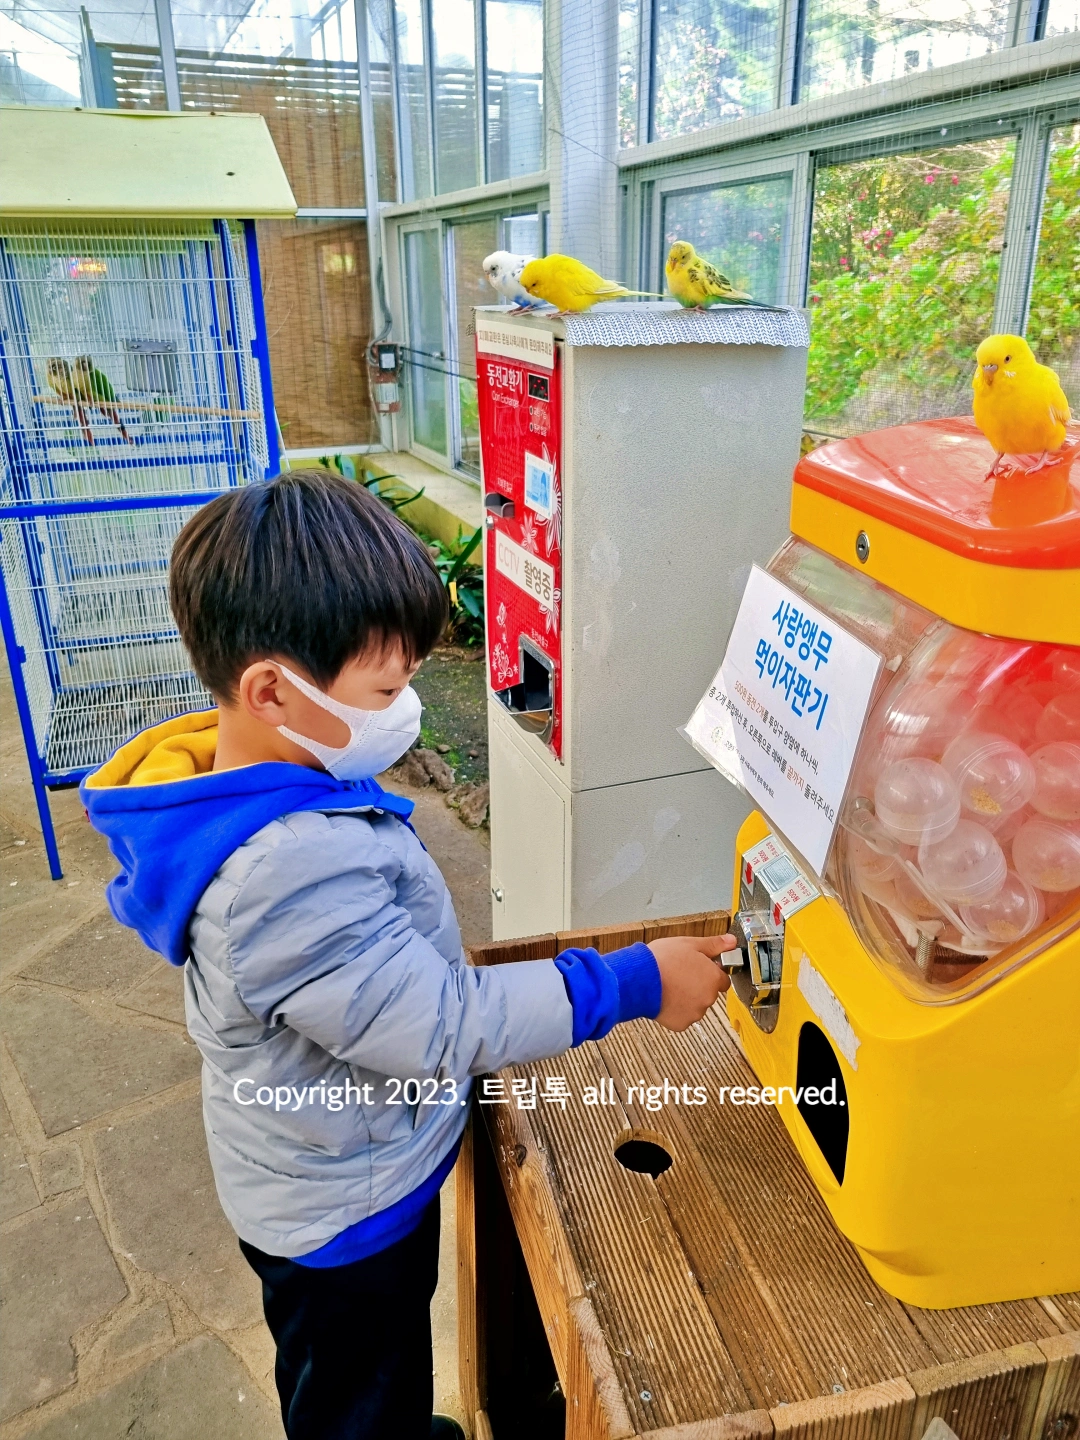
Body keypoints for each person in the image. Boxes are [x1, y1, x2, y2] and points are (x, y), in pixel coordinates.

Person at [82, 469, 735, 1440]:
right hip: (342, 1216)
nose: (408, 705)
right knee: (353, 1379)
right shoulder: (281, 870)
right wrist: (635, 980)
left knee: (357, 1373)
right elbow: (438, 1022)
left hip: (336, 1165)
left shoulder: (252, 791)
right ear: (272, 690)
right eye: (387, 687)